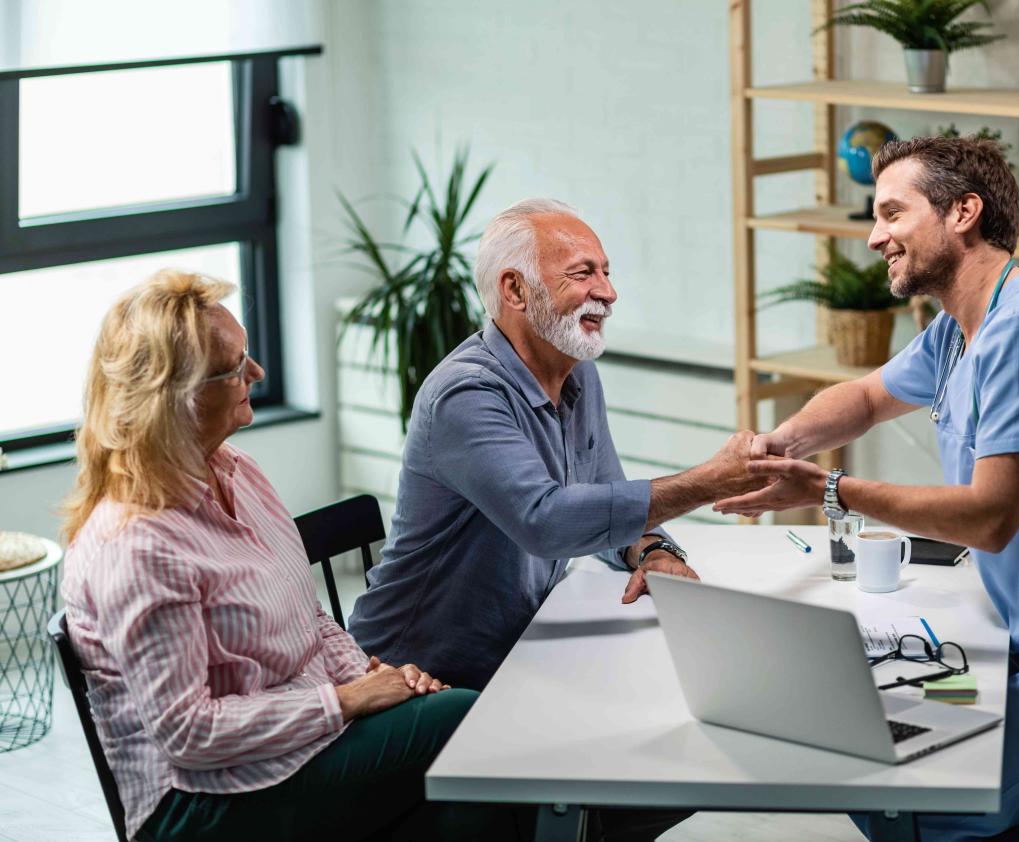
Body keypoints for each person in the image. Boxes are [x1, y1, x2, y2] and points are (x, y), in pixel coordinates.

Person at [714, 137, 1019, 840]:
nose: (874, 236)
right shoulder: (961, 327)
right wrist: (776, 446)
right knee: (880, 753)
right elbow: (864, 397)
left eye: (891, 213)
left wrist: (830, 490)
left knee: (923, 810)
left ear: (961, 213)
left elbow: (988, 518)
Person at [60, 271, 521, 841]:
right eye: (233, 369)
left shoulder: (241, 472)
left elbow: (310, 620)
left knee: (467, 776)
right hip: (201, 802)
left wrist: (378, 679)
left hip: (293, 749)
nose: (255, 373)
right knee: (468, 723)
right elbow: (190, 734)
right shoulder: (136, 544)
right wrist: (350, 700)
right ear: (173, 399)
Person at [348, 198, 759, 693]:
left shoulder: (577, 373)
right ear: (515, 290)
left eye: (606, 272)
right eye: (583, 274)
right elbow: (548, 521)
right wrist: (709, 481)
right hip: (415, 680)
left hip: (517, 655)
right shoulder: (465, 395)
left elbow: (606, 501)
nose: (608, 292)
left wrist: (652, 551)